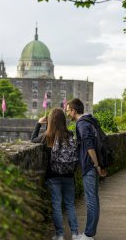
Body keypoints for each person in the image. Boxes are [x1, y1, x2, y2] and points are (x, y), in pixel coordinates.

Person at [31, 108, 80, 240]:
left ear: (50, 121)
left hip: (53, 176)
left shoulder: (47, 137)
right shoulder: (69, 134)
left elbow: (33, 140)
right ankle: (75, 234)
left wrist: (39, 123)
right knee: (70, 205)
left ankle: (59, 235)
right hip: (69, 175)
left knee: (57, 206)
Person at [66, 98, 105, 240]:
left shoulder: (82, 124)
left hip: (89, 166)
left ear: (73, 111)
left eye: (68, 110)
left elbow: (89, 147)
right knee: (94, 199)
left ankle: (89, 234)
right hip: (92, 166)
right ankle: (90, 232)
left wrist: (97, 165)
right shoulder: (90, 120)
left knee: (91, 200)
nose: (67, 113)